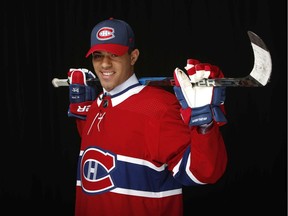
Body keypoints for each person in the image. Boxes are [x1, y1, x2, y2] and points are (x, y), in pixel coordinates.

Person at [67, 17, 228, 216]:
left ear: (133, 56)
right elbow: (110, 151)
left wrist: (204, 122)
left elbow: (204, 172)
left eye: (114, 55)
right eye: (98, 56)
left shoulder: (159, 108)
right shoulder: (97, 105)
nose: (105, 64)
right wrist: (82, 115)